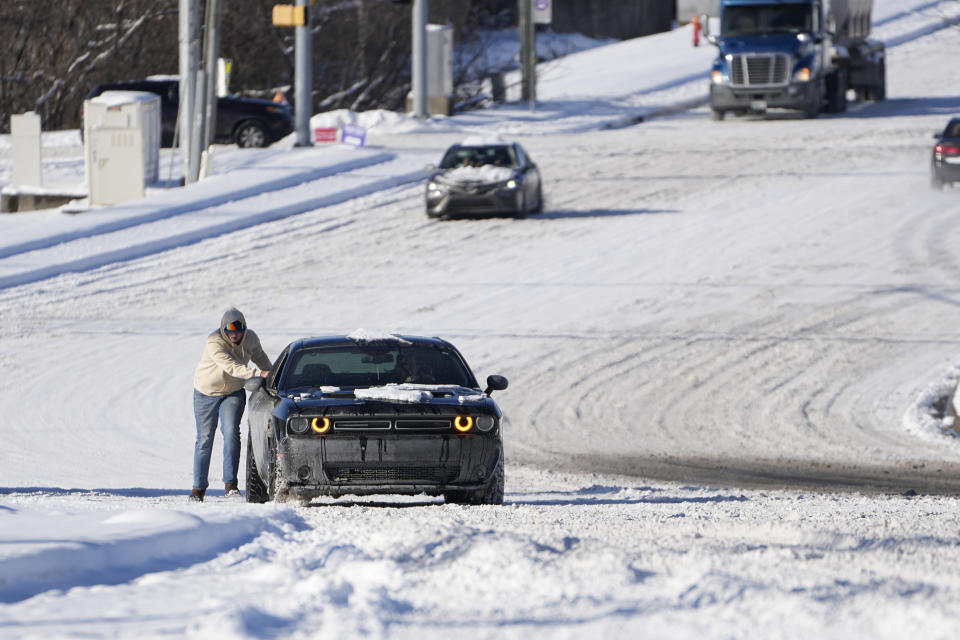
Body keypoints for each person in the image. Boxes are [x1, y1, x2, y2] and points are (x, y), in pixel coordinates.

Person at [190, 308, 272, 502]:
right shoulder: (214, 342)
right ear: (223, 330)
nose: (234, 334)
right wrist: (258, 375)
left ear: (245, 328)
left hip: (233, 392)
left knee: (231, 433)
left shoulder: (250, 338)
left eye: (238, 329)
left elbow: (260, 357)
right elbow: (231, 367)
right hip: (206, 392)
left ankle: (231, 485)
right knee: (205, 439)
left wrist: (272, 373)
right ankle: (198, 489)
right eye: (229, 330)